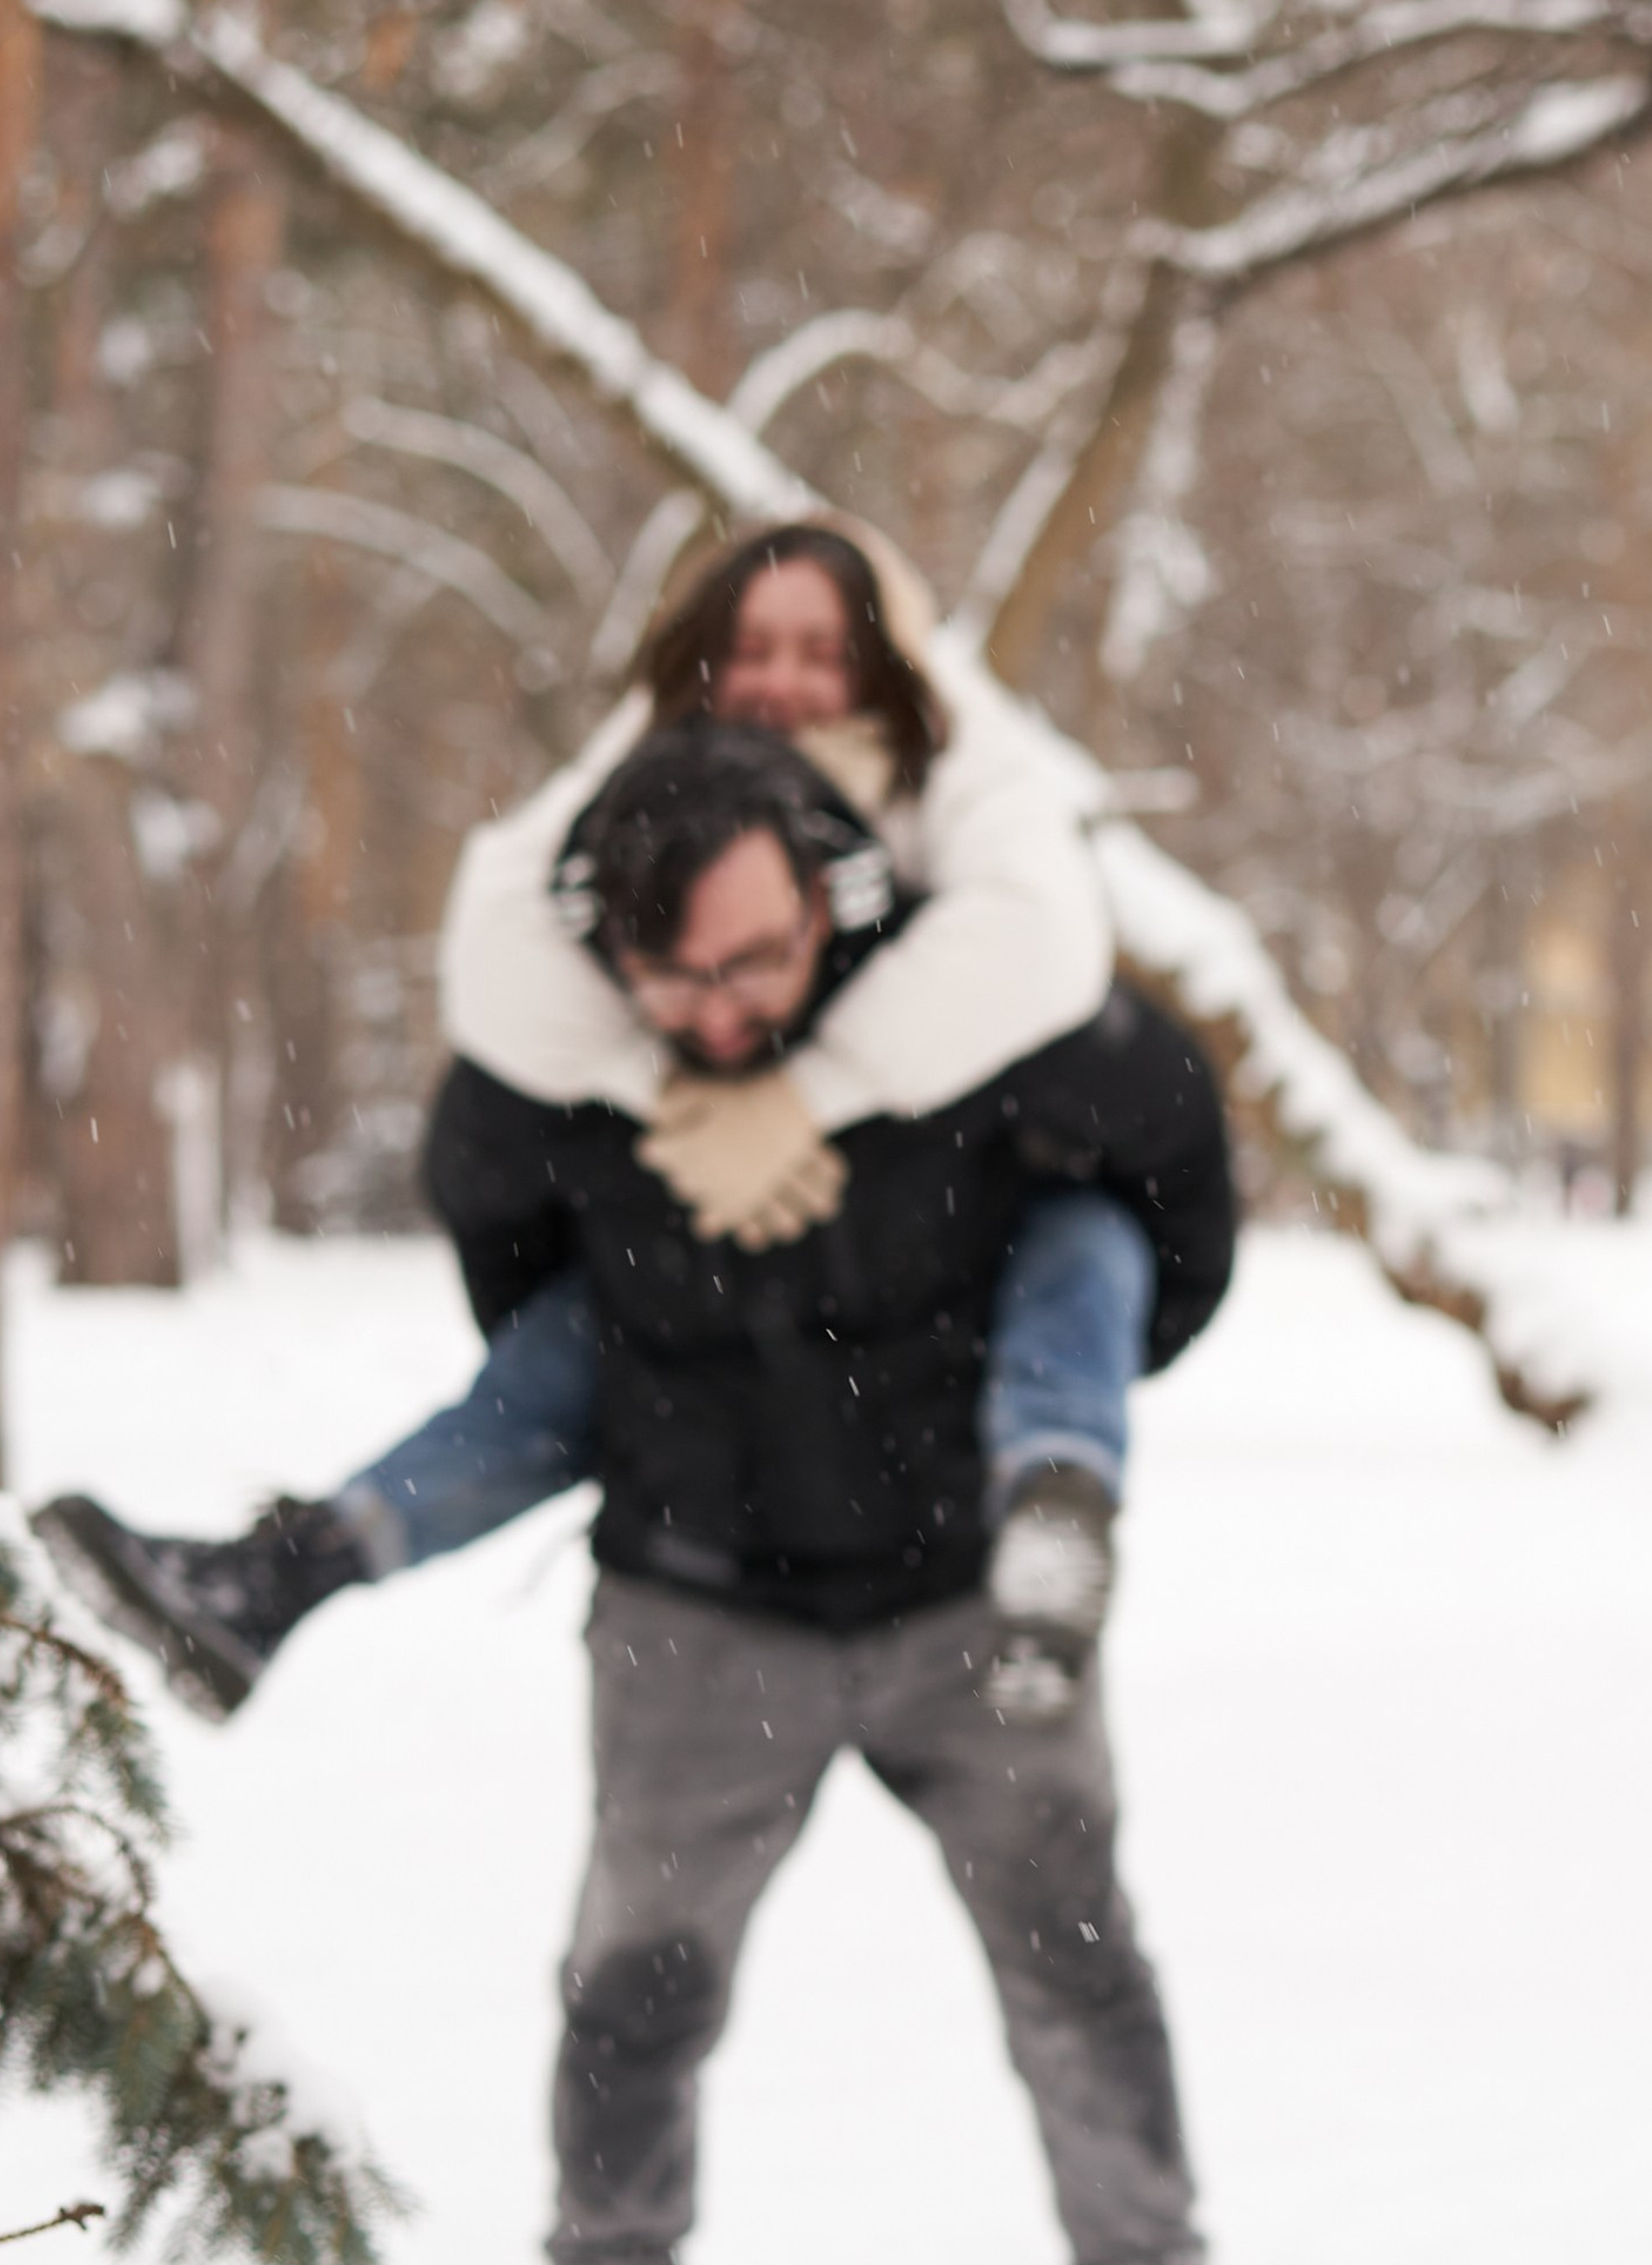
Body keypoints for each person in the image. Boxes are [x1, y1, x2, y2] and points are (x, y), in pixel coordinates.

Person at [437, 724, 1274, 2265]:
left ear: (837, 891)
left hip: (973, 1602)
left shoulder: (979, 994)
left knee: (1082, 1984)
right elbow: (499, 1244)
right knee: (632, 1993)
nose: (719, 1010)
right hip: (698, 1607)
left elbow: (1170, 1169)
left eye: (756, 959)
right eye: (672, 975)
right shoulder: (573, 1060)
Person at [39, 521, 1145, 1726]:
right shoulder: (662, 760)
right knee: (589, 1340)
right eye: (750, 647)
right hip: (713, 1251)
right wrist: (672, 1096)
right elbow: (495, 943)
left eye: (821, 650)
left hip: (941, 1236)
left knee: (1083, 1247)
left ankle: (1056, 1503)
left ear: (889, 665)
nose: (778, 681)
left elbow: (1045, 938)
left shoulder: (961, 766)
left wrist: (803, 1100)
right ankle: (290, 1569)